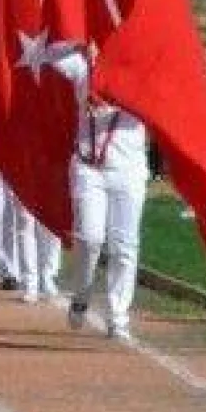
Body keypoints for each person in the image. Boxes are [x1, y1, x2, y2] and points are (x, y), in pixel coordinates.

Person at [56, 44, 148, 340]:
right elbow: (45, 50)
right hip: (88, 167)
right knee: (89, 237)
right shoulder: (83, 65)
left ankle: (118, 314)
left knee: (124, 245)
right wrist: (78, 44)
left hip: (128, 169)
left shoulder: (143, 71)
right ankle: (82, 292)